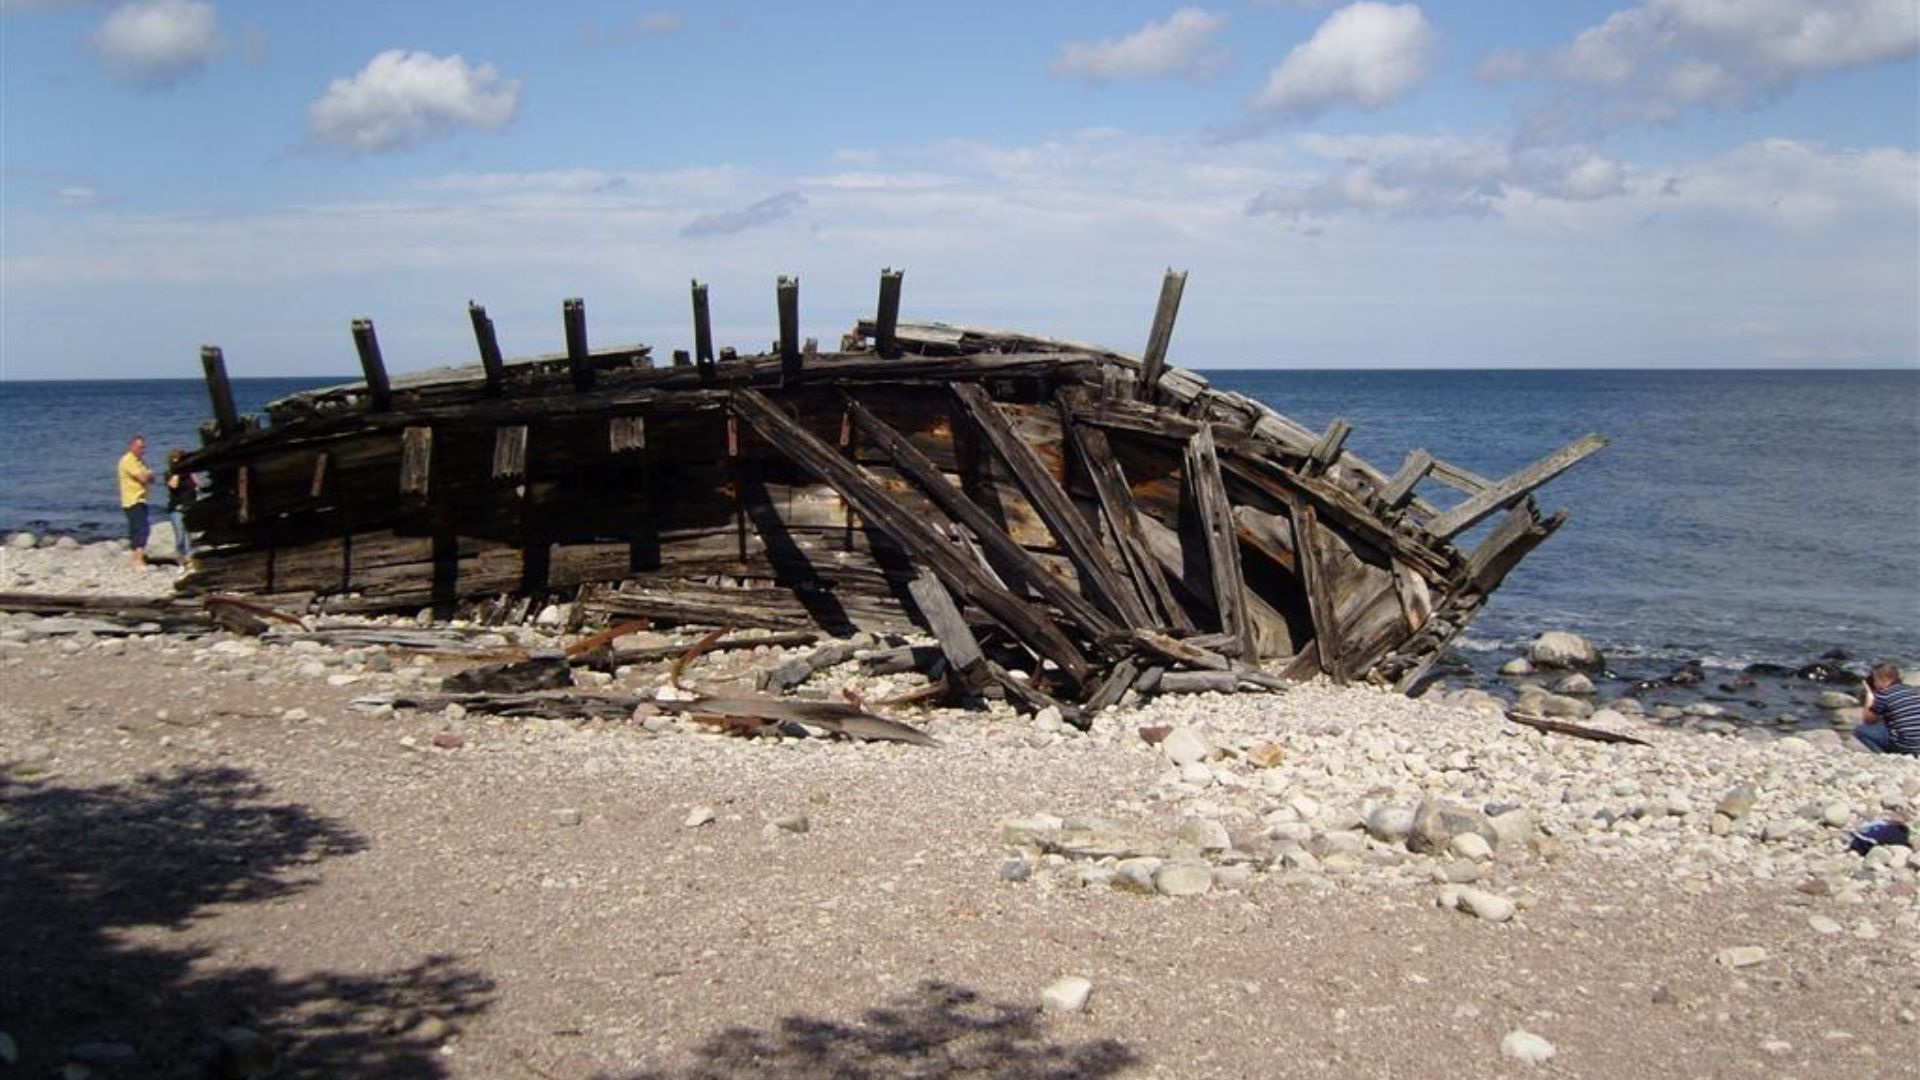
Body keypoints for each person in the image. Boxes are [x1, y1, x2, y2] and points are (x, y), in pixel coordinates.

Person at [1855, 663, 1920, 755]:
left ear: (1882, 679)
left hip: (1907, 746)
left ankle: (1883, 756)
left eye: (1874, 680)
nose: (1874, 683)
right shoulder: (1911, 690)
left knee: (1860, 730)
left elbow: (1868, 720)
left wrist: (1870, 696)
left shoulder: (1884, 695)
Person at [117, 435, 155, 569]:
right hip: (131, 499)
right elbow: (143, 478)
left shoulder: (141, 462)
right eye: (139, 447)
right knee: (141, 530)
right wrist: (146, 476)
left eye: (143, 447)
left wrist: (147, 476)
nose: (142, 450)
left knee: (138, 529)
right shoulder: (127, 460)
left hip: (142, 498)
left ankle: (136, 558)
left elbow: (151, 479)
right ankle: (137, 560)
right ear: (131, 446)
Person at [165, 448, 198, 566]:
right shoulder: (170, 474)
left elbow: (196, 485)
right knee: (180, 535)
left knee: (189, 533)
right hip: (176, 507)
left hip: (189, 504)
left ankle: (189, 558)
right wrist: (177, 472)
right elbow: (173, 485)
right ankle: (180, 556)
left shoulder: (189, 473)